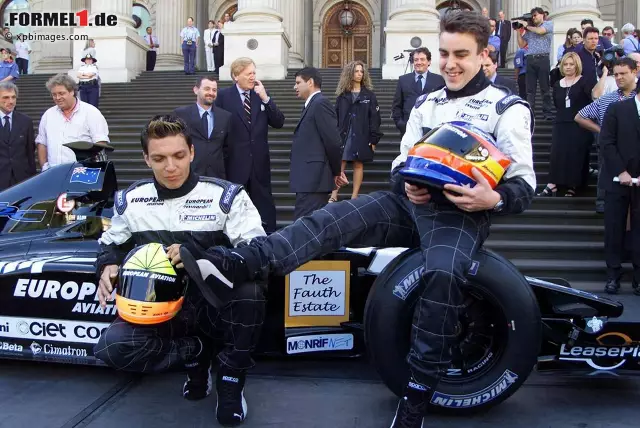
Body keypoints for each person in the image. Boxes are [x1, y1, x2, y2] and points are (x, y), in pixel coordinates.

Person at [181, 11, 535, 428]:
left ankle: (416, 398)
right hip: (408, 205)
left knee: (441, 278)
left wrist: (492, 198)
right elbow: (403, 160)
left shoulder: (508, 107)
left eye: (461, 54)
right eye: (444, 53)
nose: (450, 63)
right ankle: (241, 262)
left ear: (483, 55)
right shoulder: (426, 102)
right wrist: (407, 181)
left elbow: (524, 186)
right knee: (332, 218)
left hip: (460, 215)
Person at [93, 115, 267, 426]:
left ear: (192, 152)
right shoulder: (130, 200)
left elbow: (257, 252)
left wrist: (198, 255)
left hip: (214, 304)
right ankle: (195, 352)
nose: (170, 167)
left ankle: (230, 381)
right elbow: (110, 244)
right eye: (159, 158)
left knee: (251, 292)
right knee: (111, 348)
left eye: (178, 156)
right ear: (146, 159)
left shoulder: (226, 196)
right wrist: (106, 264)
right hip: (161, 310)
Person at [215, 57, 285, 233]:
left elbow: (278, 122)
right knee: (235, 207)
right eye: (249, 74)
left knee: (264, 206)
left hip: (259, 163)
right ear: (236, 75)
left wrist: (266, 98)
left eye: (254, 73)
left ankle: (268, 239)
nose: (253, 77)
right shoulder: (223, 97)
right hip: (234, 163)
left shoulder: (260, 95)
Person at [599, 89, 640, 296]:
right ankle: (613, 276)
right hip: (616, 179)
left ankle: (638, 278)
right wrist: (621, 171)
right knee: (614, 228)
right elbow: (606, 142)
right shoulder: (617, 108)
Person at [289, 67, 344, 218]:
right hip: (309, 181)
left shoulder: (320, 104)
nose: (295, 86)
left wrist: (336, 171)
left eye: (298, 82)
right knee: (307, 227)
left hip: (314, 180)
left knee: (304, 228)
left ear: (311, 82)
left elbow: (333, 141)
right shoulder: (312, 104)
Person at [537, 52, 594, 197]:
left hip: (579, 123)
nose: (568, 67)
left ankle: (573, 185)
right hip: (561, 122)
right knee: (557, 152)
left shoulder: (584, 81)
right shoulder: (557, 84)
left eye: (571, 64)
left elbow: (592, 100)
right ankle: (553, 184)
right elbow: (557, 104)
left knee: (575, 153)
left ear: (577, 65)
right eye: (566, 64)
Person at [329, 60, 383, 202]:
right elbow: (336, 116)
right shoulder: (342, 96)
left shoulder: (369, 95)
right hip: (344, 134)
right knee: (340, 163)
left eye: (361, 71)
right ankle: (334, 194)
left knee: (358, 164)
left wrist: (374, 138)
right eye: (356, 71)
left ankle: (354, 196)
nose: (359, 74)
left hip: (361, 134)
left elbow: (375, 118)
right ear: (350, 74)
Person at [36, 73, 109, 170]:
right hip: (53, 174)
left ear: (72, 92)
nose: (57, 98)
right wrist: (45, 168)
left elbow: (101, 143)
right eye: (54, 94)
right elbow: (42, 143)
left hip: (82, 174)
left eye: (61, 93)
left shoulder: (91, 113)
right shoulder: (48, 115)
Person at [173, 76, 231, 179]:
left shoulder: (225, 116)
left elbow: (227, 148)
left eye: (214, 90)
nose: (211, 93)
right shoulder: (181, 114)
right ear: (196, 90)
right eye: (207, 89)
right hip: (189, 175)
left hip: (217, 176)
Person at [391, 47, 444, 137]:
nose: (419, 62)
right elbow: (396, 106)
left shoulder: (439, 80)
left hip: (432, 132)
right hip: (408, 131)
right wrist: (401, 124)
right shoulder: (403, 80)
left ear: (429, 62)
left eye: (422, 59)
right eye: (416, 60)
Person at [516, 7, 553, 120]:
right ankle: (530, 113)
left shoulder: (548, 24)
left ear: (542, 15)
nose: (533, 17)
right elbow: (522, 45)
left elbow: (541, 31)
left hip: (543, 59)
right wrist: (518, 31)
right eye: (532, 16)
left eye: (535, 15)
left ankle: (547, 113)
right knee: (530, 89)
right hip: (530, 60)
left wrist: (526, 26)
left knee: (545, 88)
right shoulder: (530, 30)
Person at [0, 81, 36, 190]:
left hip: (21, 181)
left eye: (13, 97)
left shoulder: (26, 121)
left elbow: (30, 153)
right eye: (5, 97)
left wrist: (33, 179)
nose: (10, 101)